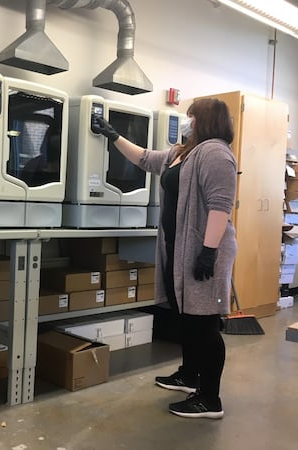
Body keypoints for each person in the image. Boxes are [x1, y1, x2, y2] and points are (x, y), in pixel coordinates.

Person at [93, 97, 237, 419]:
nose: (186, 121)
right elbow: (145, 158)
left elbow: (220, 205)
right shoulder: (181, 153)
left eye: (191, 117)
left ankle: (210, 399)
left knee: (204, 324)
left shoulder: (215, 152)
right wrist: (113, 136)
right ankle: (189, 376)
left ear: (205, 120)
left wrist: (209, 252)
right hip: (180, 248)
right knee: (186, 316)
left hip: (204, 252)